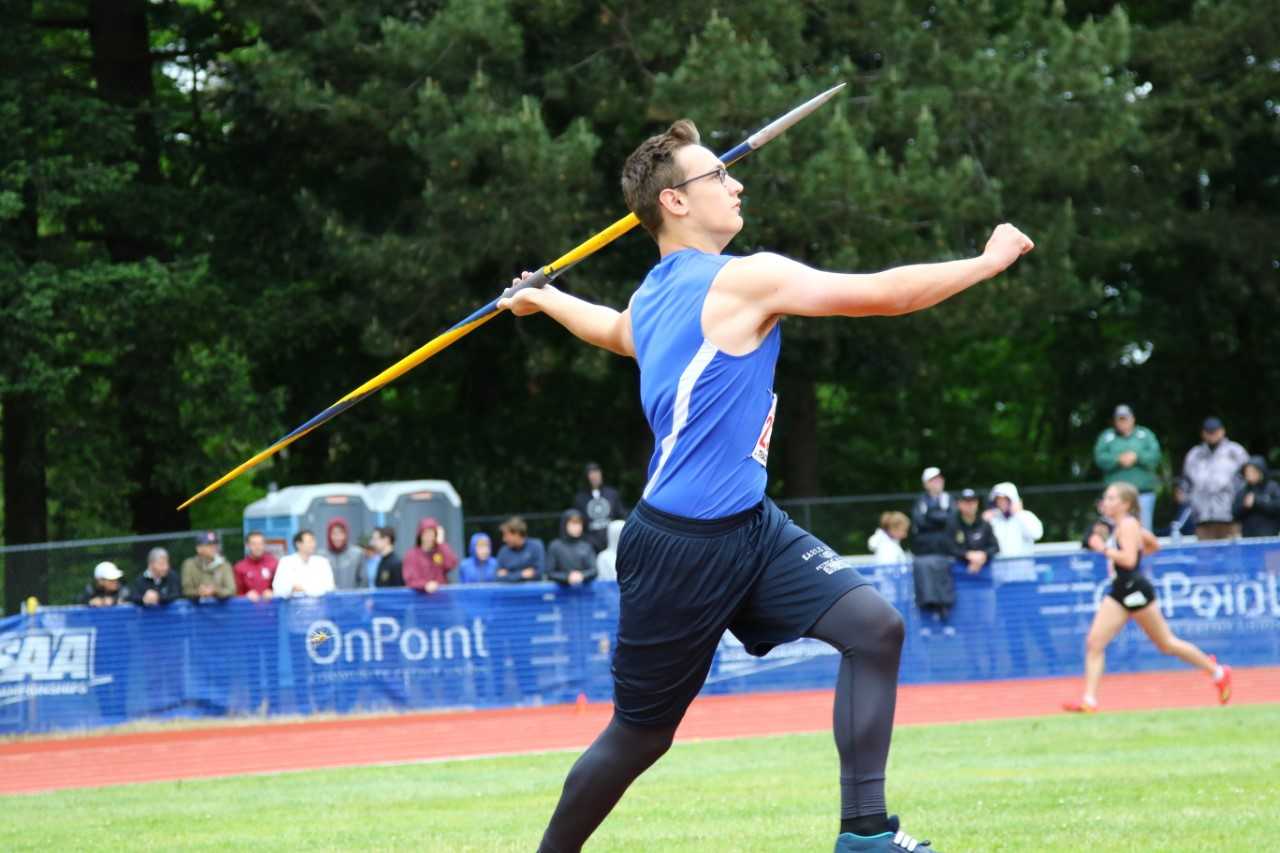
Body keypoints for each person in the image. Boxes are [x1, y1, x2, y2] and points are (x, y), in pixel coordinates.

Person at [501, 116, 1032, 853]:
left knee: (874, 629)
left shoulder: (656, 295)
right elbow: (884, 294)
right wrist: (986, 261)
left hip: (751, 524)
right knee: (642, 734)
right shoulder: (738, 281)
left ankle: (864, 833)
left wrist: (546, 299)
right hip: (681, 547)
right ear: (675, 202)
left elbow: (616, 330)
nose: (736, 183)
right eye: (718, 173)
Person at [1064, 482, 1232, 712]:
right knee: (1094, 642)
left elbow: (1129, 560)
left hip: (1134, 589)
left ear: (1126, 503)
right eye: (1106, 498)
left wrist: (1102, 548)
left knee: (1166, 643)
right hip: (1120, 590)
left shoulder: (1128, 524)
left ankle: (1218, 672)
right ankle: (1089, 701)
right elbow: (1153, 544)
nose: (1106, 502)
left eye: (1112, 498)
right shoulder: (1122, 525)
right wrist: (1130, 549)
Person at [1092, 404, 1162, 530]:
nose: (1122, 422)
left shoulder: (1145, 435)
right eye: (1119, 419)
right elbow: (1099, 458)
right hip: (1115, 498)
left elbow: (1155, 456)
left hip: (1143, 494)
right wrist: (1117, 459)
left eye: (1125, 418)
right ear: (1114, 421)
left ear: (1132, 419)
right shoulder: (1106, 437)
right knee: (1114, 530)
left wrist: (1137, 457)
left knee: (1143, 530)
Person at [1181, 416, 1249, 540]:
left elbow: (1248, 479)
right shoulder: (1194, 454)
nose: (1212, 435)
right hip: (1202, 517)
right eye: (1208, 431)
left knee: (1232, 551)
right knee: (1205, 551)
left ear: (1222, 431)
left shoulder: (1235, 451)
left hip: (1230, 517)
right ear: (1203, 433)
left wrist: (1239, 507)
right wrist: (1191, 504)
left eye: (1215, 431)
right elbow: (1186, 483)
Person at [573, 463, 628, 552]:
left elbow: (622, 516)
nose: (594, 476)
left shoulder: (612, 494)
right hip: (590, 544)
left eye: (596, 472)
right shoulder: (580, 498)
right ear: (586, 477)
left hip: (613, 542)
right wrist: (589, 540)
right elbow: (579, 523)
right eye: (591, 474)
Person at [948, 488, 999, 574]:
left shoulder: (984, 524)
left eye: (973, 501)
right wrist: (968, 555)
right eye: (966, 502)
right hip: (959, 571)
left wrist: (982, 555)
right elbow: (949, 547)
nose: (970, 505)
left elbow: (995, 547)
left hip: (984, 570)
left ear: (977, 503)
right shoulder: (952, 524)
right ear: (959, 504)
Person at [271, 530, 335, 598]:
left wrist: (304, 590)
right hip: (292, 603)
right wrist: (291, 588)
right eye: (309, 541)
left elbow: (330, 587)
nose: (313, 544)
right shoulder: (286, 562)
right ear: (298, 544)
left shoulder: (322, 562)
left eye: (313, 541)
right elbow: (277, 588)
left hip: (319, 602)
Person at [402, 517, 458, 593]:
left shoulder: (440, 551)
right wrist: (425, 585)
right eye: (426, 533)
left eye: (432, 533)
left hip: (441, 596)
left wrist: (441, 543)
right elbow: (410, 579)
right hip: (420, 598)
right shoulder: (412, 554)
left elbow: (451, 564)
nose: (429, 537)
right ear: (420, 535)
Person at [547, 509, 599, 587]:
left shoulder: (586, 546)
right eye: (573, 524)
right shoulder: (555, 546)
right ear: (565, 525)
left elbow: (594, 570)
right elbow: (549, 573)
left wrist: (582, 575)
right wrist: (567, 577)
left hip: (584, 592)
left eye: (579, 524)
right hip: (561, 592)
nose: (577, 527)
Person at [909, 467, 953, 557]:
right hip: (925, 549)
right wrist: (942, 518)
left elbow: (953, 520)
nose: (939, 482)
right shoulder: (920, 501)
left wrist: (929, 516)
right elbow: (920, 523)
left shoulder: (949, 498)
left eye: (940, 479)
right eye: (934, 480)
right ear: (926, 484)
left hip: (946, 548)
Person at [1232, 456, 1280, 538]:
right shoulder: (1243, 491)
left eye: (1252, 471)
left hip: (1270, 537)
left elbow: (1277, 506)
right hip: (1248, 538)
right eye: (1247, 472)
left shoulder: (1273, 487)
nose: (1249, 474)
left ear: (1261, 471)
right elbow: (1234, 513)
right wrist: (1245, 506)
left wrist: (1257, 501)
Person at [181, 531, 235, 602]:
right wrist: (198, 592)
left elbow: (231, 590)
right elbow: (186, 590)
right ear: (198, 548)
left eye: (215, 544)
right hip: (196, 607)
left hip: (220, 608)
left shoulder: (224, 565)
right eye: (209, 545)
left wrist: (215, 590)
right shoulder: (189, 564)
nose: (214, 547)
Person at [495, 516, 546, 582]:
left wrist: (509, 574)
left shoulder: (536, 546)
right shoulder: (503, 551)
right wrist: (522, 574)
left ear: (517, 534)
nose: (504, 539)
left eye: (506, 535)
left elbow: (539, 572)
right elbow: (498, 577)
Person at [234, 531, 278, 601]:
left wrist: (273, 592)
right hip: (248, 606)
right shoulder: (239, 567)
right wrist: (245, 596)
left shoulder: (274, 563)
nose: (257, 547)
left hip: (271, 606)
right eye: (253, 544)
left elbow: (282, 588)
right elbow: (235, 592)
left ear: (264, 544)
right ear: (247, 545)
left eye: (260, 544)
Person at [323, 518, 365, 590]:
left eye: (341, 533)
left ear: (346, 534)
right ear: (329, 535)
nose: (338, 538)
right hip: (329, 597)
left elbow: (363, 582)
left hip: (353, 596)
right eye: (334, 534)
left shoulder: (357, 554)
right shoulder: (322, 556)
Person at [1162, 477, 1198, 541]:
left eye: (1178, 492)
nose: (1175, 495)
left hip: (1190, 541)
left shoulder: (1188, 508)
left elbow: (1177, 527)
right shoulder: (1181, 507)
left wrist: (1157, 533)